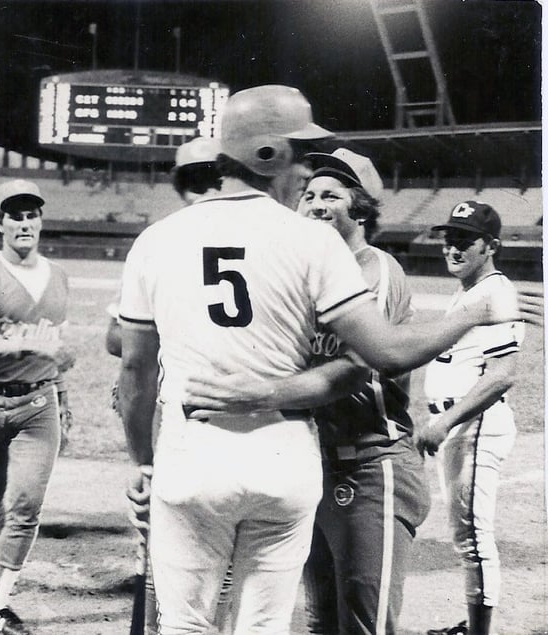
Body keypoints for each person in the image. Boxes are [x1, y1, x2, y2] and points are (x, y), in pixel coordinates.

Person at [116, 85, 536, 635]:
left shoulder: (156, 238)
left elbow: (134, 372)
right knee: (265, 627)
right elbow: (384, 351)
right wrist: (473, 310)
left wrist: (145, 461)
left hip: (195, 455)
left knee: (186, 625)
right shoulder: (311, 243)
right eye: (300, 154)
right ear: (268, 155)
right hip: (286, 458)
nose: (305, 176)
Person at [295, 149, 430, 633]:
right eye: (307, 194)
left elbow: (356, 368)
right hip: (319, 466)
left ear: (361, 208)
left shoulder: (373, 268)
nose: (313, 203)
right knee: (322, 621)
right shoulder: (306, 275)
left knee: (364, 623)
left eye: (330, 195)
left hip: (372, 465)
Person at [108, 134, 231, 635]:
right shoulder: (268, 237)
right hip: (253, 430)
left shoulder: (158, 241)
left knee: (170, 562)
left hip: (177, 422)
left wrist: (140, 457)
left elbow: (123, 348)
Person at [0, 178, 75, 634]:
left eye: (31, 214)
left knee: (26, 505)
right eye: (15, 215)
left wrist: (62, 396)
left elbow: (55, 347)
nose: (24, 223)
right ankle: (0, 557)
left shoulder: (60, 277)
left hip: (38, 406)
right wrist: (23, 345)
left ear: (40, 220)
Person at [416, 202, 524, 635]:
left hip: (474, 426)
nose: (452, 248)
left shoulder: (496, 291)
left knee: (473, 540)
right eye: (449, 239)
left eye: (464, 240)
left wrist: (446, 422)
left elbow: (502, 376)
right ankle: (473, 625)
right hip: (463, 426)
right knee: (467, 538)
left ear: (491, 245)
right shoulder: (469, 289)